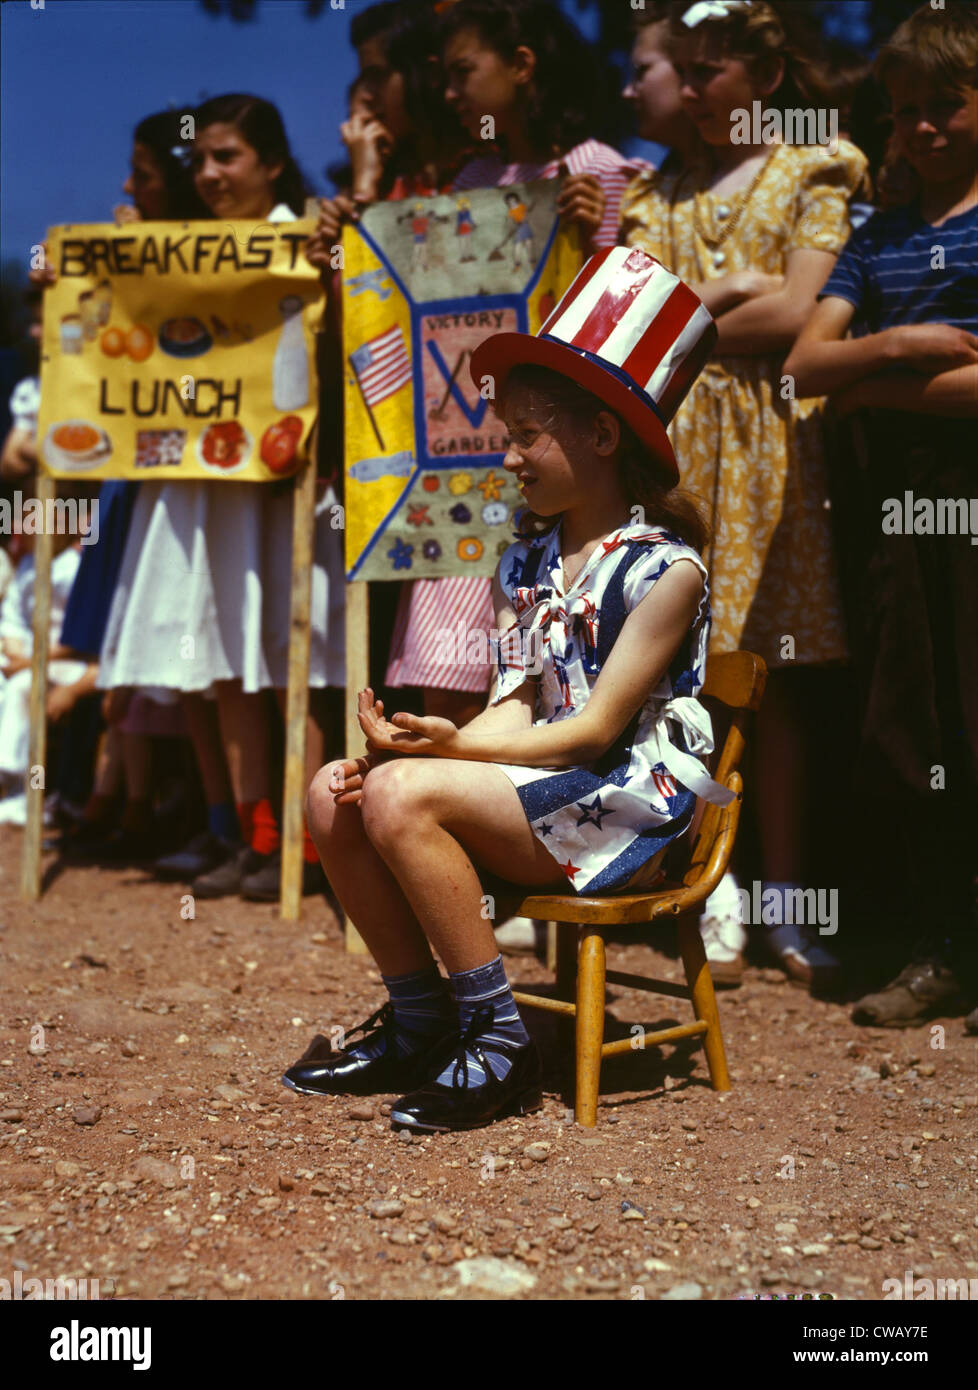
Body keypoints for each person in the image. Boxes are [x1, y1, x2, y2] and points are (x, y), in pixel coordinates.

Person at [285, 246, 731, 1132]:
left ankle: (496, 1041)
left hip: (629, 803)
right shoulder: (526, 559)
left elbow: (592, 730)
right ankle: (421, 1021)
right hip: (547, 785)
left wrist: (447, 755)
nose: (509, 454)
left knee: (406, 795)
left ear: (601, 437)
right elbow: (522, 701)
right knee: (335, 797)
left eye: (528, 434)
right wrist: (424, 740)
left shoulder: (664, 572)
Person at [618, 0, 868, 991]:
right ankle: (688, 883)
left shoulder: (815, 165)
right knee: (668, 671)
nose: (689, 85)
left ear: (761, 78)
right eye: (682, 67)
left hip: (770, 442)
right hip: (672, 446)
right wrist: (724, 296)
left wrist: (694, 309)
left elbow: (802, 308)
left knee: (773, 677)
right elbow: (633, 314)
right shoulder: (657, 189)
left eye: (708, 69)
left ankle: (786, 901)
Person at [784, 2, 978, 1031]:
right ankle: (942, 943)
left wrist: (868, 386)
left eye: (945, 105)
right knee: (915, 719)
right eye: (904, 113)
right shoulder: (882, 236)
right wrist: (909, 348)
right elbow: (806, 363)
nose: (922, 129)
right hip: (901, 514)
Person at [99, 94, 339, 901]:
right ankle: (251, 830)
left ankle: (306, 846)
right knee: (232, 661)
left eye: (227, 157)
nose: (207, 174)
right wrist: (105, 272)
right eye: (199, 159)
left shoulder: (306, 237)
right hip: (208, 477)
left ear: (271, 162)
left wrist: (331, 258)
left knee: (289, 659)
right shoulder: (185, 247)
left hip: (282, 481)